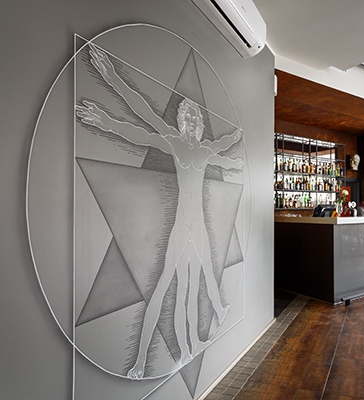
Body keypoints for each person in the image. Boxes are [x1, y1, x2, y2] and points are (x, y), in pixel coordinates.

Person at [76, 45, 243, 379]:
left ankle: (196, 338)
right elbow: (141, 119)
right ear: (181, 122)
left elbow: (221, 152)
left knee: (195, 282)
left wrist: (237, 145)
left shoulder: (204, 150)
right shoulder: (175, 143)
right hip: (183, 227)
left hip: (197, 227)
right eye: (187, 117)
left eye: (195, 118)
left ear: (198, 124)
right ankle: (141, 361)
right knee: (168, 286)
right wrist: (110, 88)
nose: (192, 121)